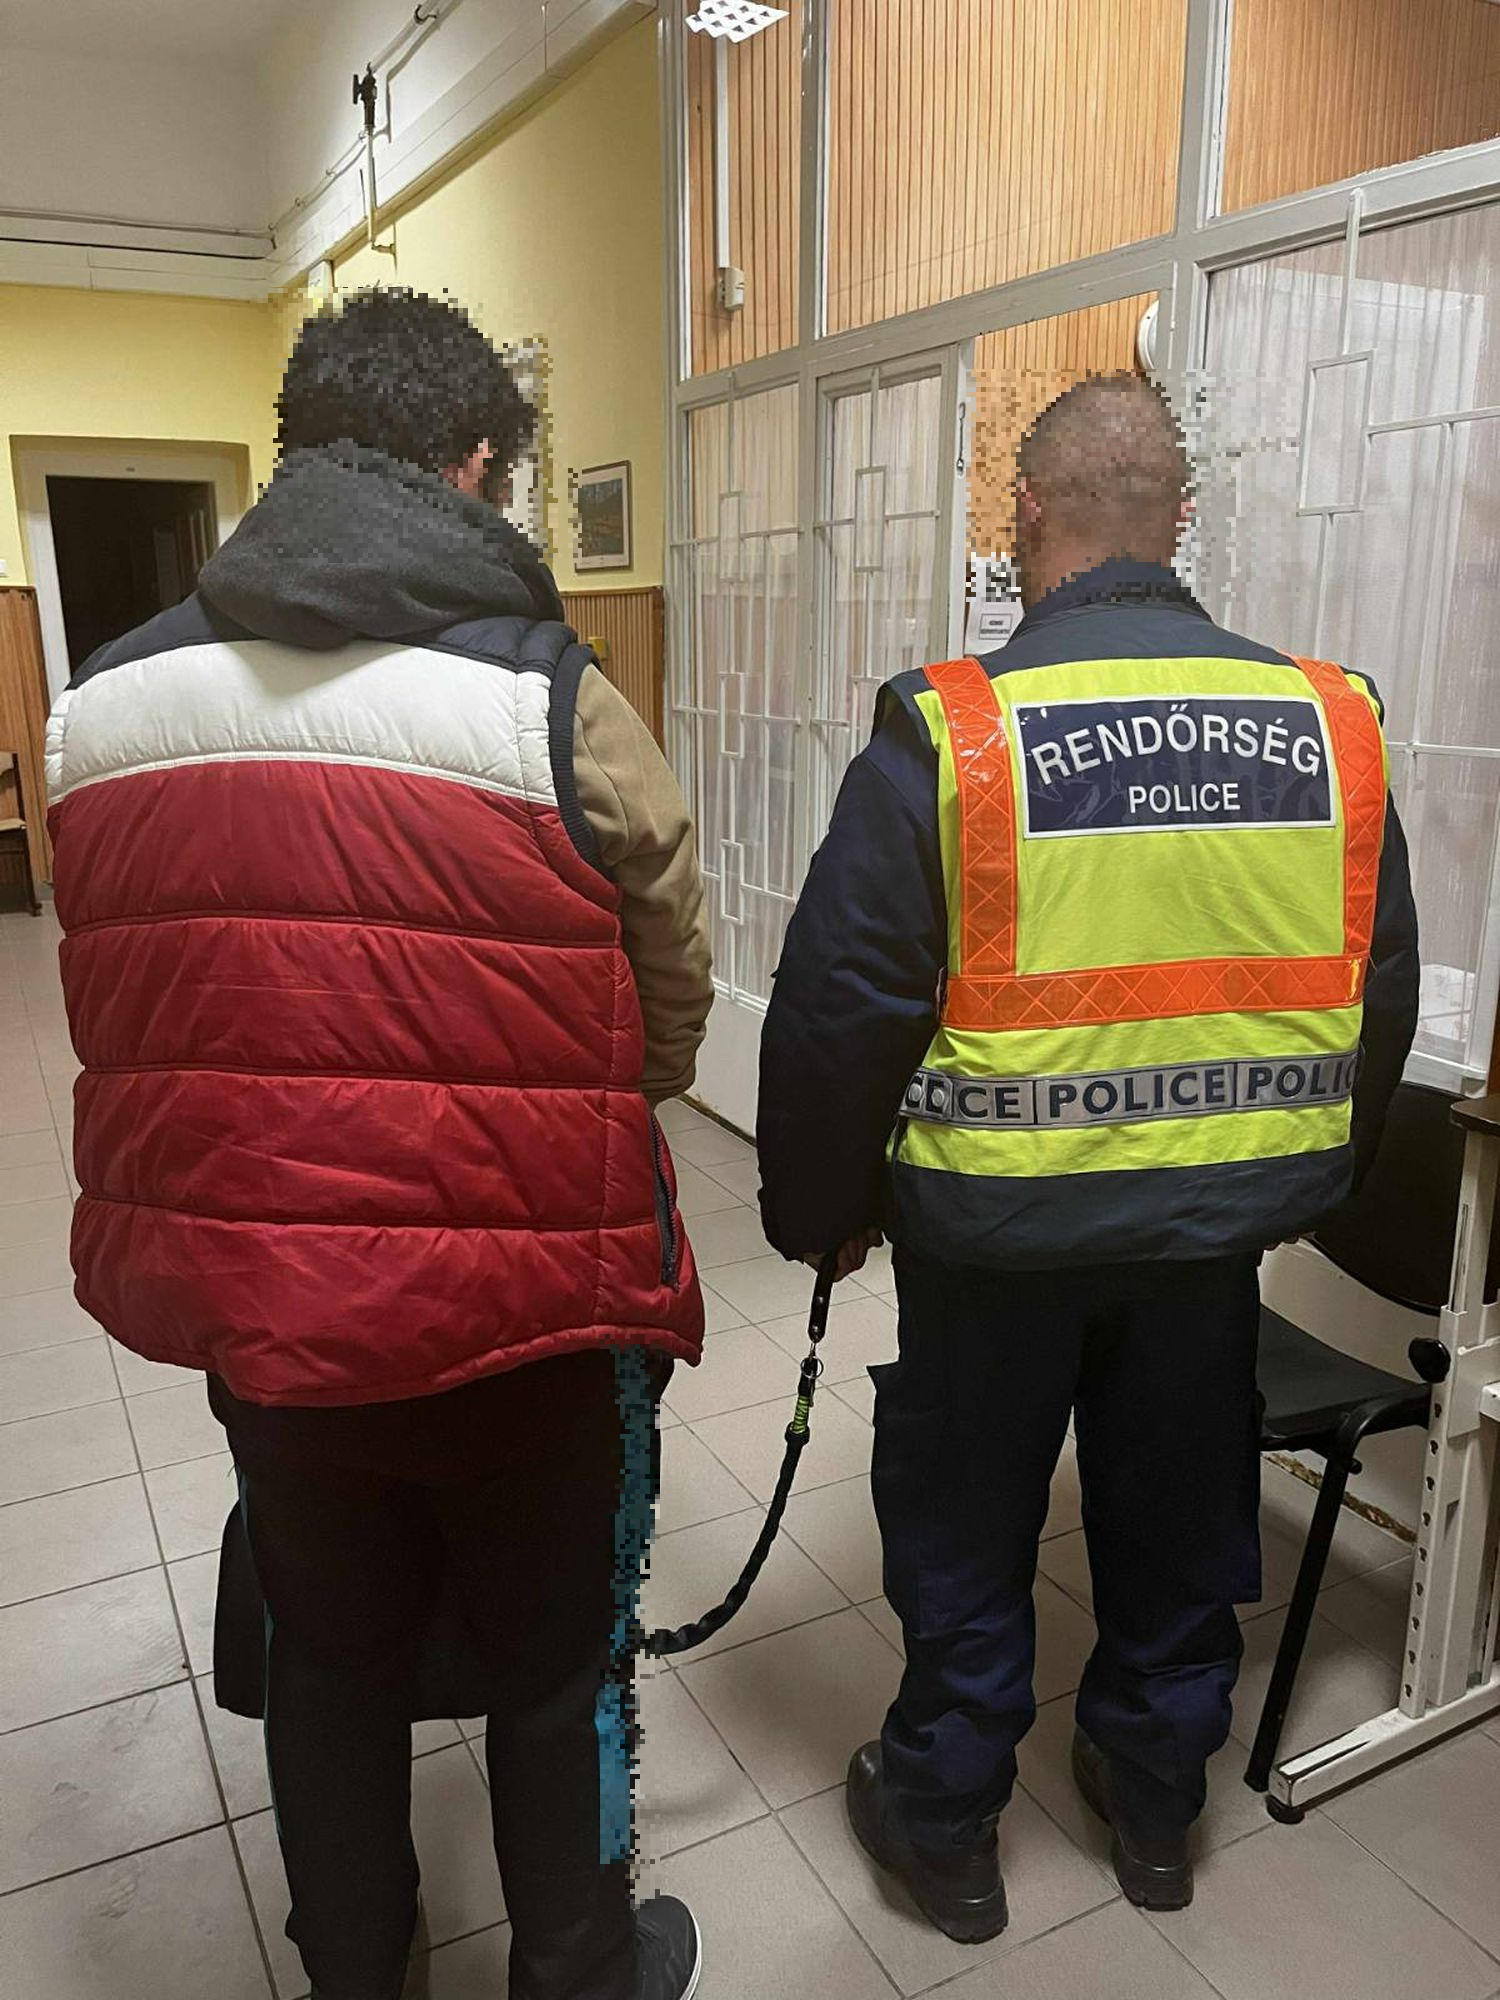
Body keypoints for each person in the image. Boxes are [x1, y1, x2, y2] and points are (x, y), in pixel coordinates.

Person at [46, 287, 713, 2000]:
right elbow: (667, 969)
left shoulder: (104, 707)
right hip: (523, 1315)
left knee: (329, 1657)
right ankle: (576, 1970)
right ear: (475, 462)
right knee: (554, 1667)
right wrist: (607, 1104)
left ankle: (357, 1970)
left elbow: (124, 981)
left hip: (269, 1310)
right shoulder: (549, 699)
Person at [757, 372, 1419, 1940]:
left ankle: (946, 1827)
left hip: (994, 1240)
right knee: (1180, 1509)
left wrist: (821, 1210)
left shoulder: (957, 730)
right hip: (1208, 1238)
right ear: (1180, 521)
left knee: (967, 1520)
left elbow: (842, 1005)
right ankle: (1157, 1805)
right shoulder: (1331, 720)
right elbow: (1378, 987)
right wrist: (1304, 1180)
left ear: (1021, 517)